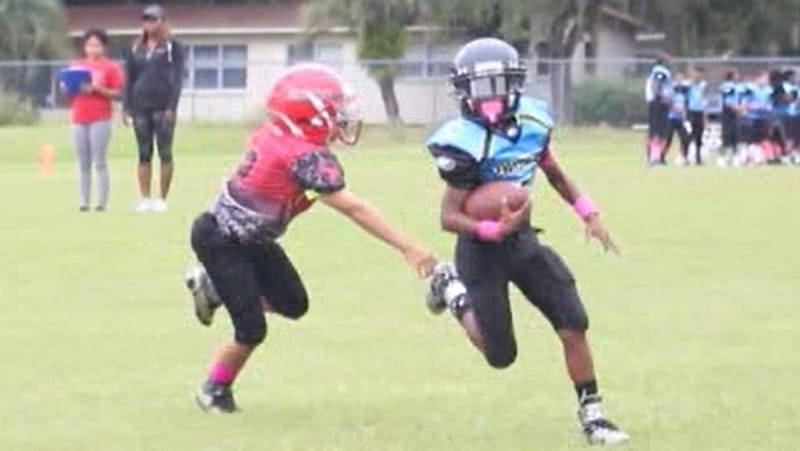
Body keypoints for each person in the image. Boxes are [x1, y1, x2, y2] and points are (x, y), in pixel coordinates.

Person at [184, 64, 437, 413]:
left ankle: (215, 289)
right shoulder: (301, 155)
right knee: (251, 330)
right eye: (335, 109)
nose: (342, 117)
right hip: (221, 240)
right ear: (311, 114)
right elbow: (354, 208)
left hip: (251, 238)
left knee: (293, 303)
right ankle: (213, 388)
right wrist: (407, 247)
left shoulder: (278, 135)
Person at [423, 38, 628, 446]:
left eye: (498, 85)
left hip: (522, 242)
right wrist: (490, 230)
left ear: (515, 83)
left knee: (574, 323)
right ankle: (451, 289)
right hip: (481, 251)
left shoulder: (533, 121)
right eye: (480, 88)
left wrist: (587, 211)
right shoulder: (460, 141)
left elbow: (550, 168)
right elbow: (448, 216)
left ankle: (594, 416)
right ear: (463, 92)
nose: (490, 98)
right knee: (500, 355)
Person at [123, 4, 184, 212]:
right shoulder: (135, 48)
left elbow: (177, 79)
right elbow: (129, 78)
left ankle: (162, 198)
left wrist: (171, 107)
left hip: (163, 106)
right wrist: (126, 107)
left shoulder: (172, 47)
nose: (150, 23)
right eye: (147, 20)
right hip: (140, 106)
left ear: (163, 22)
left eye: (154, 19)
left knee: (165, 153)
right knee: (144, 153)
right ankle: (144, 198)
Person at [63, 28, 124, 212]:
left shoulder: (110, 67)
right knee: (82, 162)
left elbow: (117, 92)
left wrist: (97, 88)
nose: (93, 49)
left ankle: (101, 202)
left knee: (99, 160)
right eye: (89, 45)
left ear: (103, 47)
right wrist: (67, 87)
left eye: (97, 45)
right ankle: (83, 201)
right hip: (79, 117)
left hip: (100, 118)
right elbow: (67, 92)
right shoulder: (77, 64)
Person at [644, 58, 672, 165]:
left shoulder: (652, 72)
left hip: (655, 103)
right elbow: (656, 84)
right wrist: (663, 96)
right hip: (659, 103)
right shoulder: (660, 71)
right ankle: (654, 157)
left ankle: (653, 156)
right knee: (658, 132)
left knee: (656, 131)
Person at [718, 70, 744, 166]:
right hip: (727, 114)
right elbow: (727, 101)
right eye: (736, 75)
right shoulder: (726, 86)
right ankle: (722, 157)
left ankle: (735, 157)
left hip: (736, 114)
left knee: (736, 136)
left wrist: (741, 108)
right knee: (726, 136)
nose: (738, 76)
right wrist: (736, 108)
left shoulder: (739, 87)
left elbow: (741, 99)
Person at [664, 73, 691, 165]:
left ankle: (685, 157)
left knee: (685, 138)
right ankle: (661, 156)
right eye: (678, 79)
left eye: (681, 79)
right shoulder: (671, 91)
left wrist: (684, 111)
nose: (680, 81)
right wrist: (674, 107)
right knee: (668, 139)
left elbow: (685, 104)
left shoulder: (683, 93)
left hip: (680, 119)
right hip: (671, 118)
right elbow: (667, 102)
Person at [686, 67, 707, 164]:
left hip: (700, 111)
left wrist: (704, 114)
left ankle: (698, 158)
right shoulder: (689, 85)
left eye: (700, 74)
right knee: (691, 134)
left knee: (699, 134)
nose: (698, 75)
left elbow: (704, 100)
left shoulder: (703, 85)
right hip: (692, 111)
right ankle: (684, 154)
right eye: (696, 73)